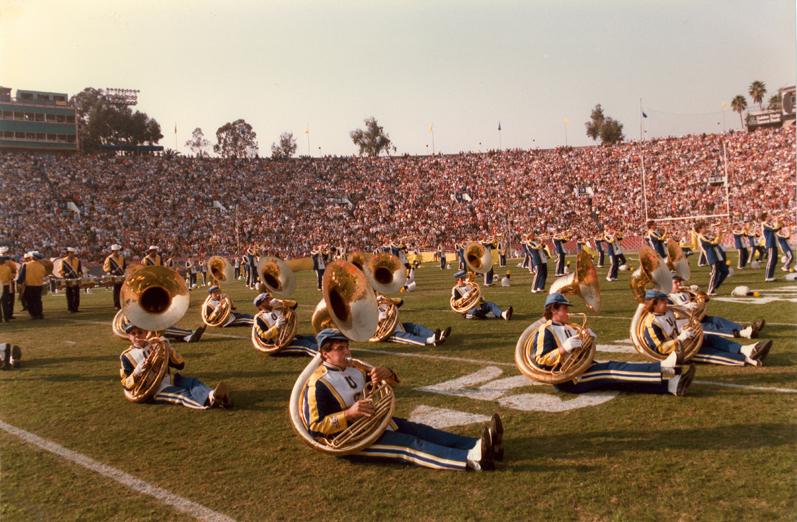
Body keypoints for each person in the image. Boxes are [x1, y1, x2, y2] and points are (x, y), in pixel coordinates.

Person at [302, 328, 502, 470]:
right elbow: (315, 427)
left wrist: (387, 373)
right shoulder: (317, 383)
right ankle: (470, 459)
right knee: (409, 444)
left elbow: (393, 383)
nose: (347, 352)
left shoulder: (355, 369)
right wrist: (349, 413)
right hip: (350, 440)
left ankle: (478, 444)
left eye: (346, 346)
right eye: (339, 348)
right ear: (325, 354)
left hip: (373, 423)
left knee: (423, 431)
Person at [528, 293, 695, 396]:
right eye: (565, 309)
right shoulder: (545, 330)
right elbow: (540, 360)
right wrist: (564, 349)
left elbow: (579, 353)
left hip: (582, 370)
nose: (569, 312)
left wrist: (587, 341)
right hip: (571, 380)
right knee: (613, 368)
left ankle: (671, 386)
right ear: (554, 311)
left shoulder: (569, 328)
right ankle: (664, 366)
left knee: (621, 380)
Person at [642, 289, 771, 367]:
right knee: (709, 352)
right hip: (674, 353)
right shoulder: (651, 324)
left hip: (682, 341)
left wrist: (688, 311)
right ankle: (749, 359)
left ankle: (747, 349)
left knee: (710, 338)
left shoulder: (667, 312)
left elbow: (679, 321)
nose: (666, 302)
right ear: (653, 304)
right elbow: (661, 348)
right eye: (662, 301)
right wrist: (680, 339)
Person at [120, 323, 231, 409]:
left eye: (139, 332)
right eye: (133, 334)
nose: (137, 336)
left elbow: (180, 365)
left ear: (145, 333)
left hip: (168, 379)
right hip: (152, 389)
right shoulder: (127, 356)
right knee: (181, 393)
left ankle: (212, 395)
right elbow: (125, 384)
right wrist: (136, 373)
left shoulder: (155, 345)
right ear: (129, 337)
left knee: (192, 382)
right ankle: (211, 402)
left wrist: (169, 351)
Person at [668, 273, 765, 339]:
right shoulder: (668, 297)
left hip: (697, 316)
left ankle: (746, 328)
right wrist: (686, 307)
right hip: (687, 322)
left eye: (679, 281)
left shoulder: (685, 292)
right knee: (708, 327)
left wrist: (698, 292)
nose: (679, 284)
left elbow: (705, 299)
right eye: (675, 282)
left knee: (717, 320)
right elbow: (673, 313)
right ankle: (742, 333)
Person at [252, 292, 318, 356]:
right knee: (305, 344)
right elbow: (263, 337)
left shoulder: (277, 310)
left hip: (285, 338)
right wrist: (276, 327)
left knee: (311, 338)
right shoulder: (259, 318)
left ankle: (326, 347)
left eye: (268, 299)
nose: (268, 301)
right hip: (276, 345)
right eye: (265, 301)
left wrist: (280, 302)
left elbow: (294, 304)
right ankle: (324, 354)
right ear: (260, 306)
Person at [374, 294, 451, 346]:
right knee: (405, 336)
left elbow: (400, 301)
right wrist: (378, 319)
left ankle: (437, 335)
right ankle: (430, 340)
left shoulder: (383, 303)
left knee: (416, 327)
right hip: (386, 333)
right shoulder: (368, 311)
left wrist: (388, 300)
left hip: (397, 326)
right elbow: (366, 326)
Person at [117, 312, 206, 343]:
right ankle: (190, 333)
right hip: (140, 332)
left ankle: (187, 338)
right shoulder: (127, 315)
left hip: (145, 328)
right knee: (162, 330)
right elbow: (130, 327)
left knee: (163, 327)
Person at [694, 221, 728, 295]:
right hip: (712, 256)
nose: (705, 228)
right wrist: (718, 235)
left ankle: (715, 285)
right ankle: (710, 290)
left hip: (717, 255)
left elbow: (716, 241)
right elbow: (712, 244)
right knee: (714, 273)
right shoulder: (701, 237)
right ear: (699, 229)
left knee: (725, 271)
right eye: (703, 227)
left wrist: (719, 235)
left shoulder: (706, 235)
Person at [17, 252, 45, 320]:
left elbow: (22, 275)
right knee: (38, 300)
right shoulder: (42, 266)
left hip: (30, 285)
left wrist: (19, 283)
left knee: (30, 301)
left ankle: (33, 314)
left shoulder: (27, 265)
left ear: (31, 257)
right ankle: (40, 313)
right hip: (39, 285)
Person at [58, 247, 82, 313]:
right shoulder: (63, 261)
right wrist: (65, 274)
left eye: (73, 253)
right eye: (71, 253)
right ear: (68, 253)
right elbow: (60, 271)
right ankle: (70, 308)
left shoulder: (77, 261)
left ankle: (76, 308)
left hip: (75, 279)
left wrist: (80, 274)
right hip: (68, 279)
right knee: (69, 294)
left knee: (77, 294)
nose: (72, 254)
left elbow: (79, 270)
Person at [760, 213, 782, 281]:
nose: (770, 217)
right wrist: (777, 222)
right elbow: (773, 229)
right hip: (770, 243)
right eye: (769, 216)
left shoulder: (769, 224)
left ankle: (771, 276)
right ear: (765, 218)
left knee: (774, 260)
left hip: (774, 243)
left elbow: (778, 228)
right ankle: (768, 276)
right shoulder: (764, 223)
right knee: (771, 260)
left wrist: (779, 222)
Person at [103, 244, 126, 309]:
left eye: (117, 251)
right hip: (115, 276)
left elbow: (124, 267)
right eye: (115, 251)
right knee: (116, 291)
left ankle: (122, 304)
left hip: (121, 275)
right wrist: (111, 271)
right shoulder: (109, 258)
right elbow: (106, 268)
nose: (116, 252)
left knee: (122, 291)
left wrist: (125, 272)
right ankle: (116, 304)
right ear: (112, 251)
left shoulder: (122, 258)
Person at [0, 256, 13, 322]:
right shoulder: (7, 268)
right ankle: (6, 318)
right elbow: (10, 277)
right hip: (5, 285)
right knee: (5, 303)